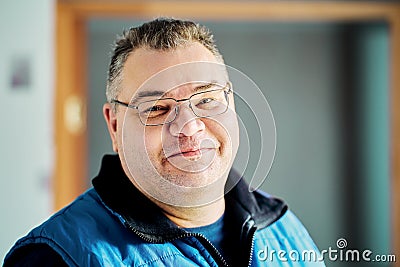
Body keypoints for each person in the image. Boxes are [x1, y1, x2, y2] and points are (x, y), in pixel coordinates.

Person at [4, 18, 325, 266]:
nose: (189, 127)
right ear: (114, 126)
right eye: (157, 108)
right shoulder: (58, 256)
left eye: (207, 100)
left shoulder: (283, 226)